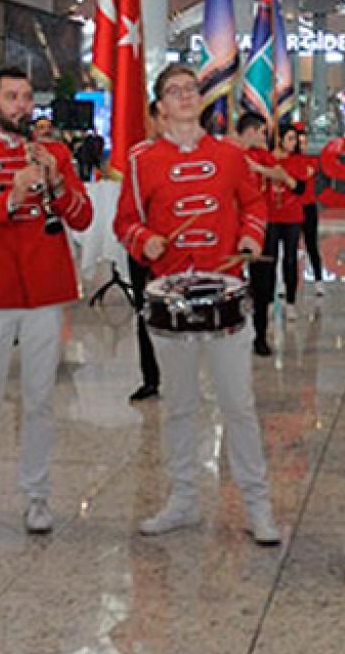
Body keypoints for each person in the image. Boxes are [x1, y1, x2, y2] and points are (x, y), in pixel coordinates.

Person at [113, 63, 280, 544]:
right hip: (171, 298)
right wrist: (143, 241)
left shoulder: (229, 153)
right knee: (179, 405)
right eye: (173, 90)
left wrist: (249, 241)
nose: (185, 95)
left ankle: (258, 505)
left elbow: (254, 205)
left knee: (239, 405)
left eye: (190, 88)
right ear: (159, 106)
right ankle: (183, 499)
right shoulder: (142, 160)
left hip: (225, 290)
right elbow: (125, 221)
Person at [0, 67, 93, 535]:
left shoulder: (57, 153)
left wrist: (57, 184)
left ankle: (37, 495)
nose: (21, 106)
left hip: (46, 287)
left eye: (27, 97)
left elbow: (84, 217)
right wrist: (13, 195)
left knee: (40, 400)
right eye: (11, 97)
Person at [233, 112, 296, 356]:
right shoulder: (230, 152)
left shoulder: (262, 156)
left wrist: (257, 167)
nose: (265, 137)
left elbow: (283, 176)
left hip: (262, 224)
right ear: (250, 131)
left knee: (263, 280)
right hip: (233, 225)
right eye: (262, 132)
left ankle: (260, 335)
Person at [127, 102, 161, 403]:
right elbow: (128, 212)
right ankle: (150, 377)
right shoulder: (139, 157)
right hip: (144, 247)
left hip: (179, 252)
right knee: (145, 312)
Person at [260, 124, 308, 323]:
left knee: (290, 259)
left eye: (294, 139)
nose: (293, 143)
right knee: (269, 259)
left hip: (292, 216)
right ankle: (269, 301)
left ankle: (290, 301)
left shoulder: (298, 161)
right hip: (270, 216)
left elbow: (299, 188)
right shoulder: (268, 158)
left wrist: (284, 176)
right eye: (289, 138)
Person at [295, 126, 325, 292]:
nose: (302, 146)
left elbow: (304, 175)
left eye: (305, 143)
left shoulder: (311, 161)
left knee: (311, 244)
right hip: (292, 206)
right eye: (299, 143)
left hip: (308, 207)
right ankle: (287, 282)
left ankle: (318, 279)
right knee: (290, 247)